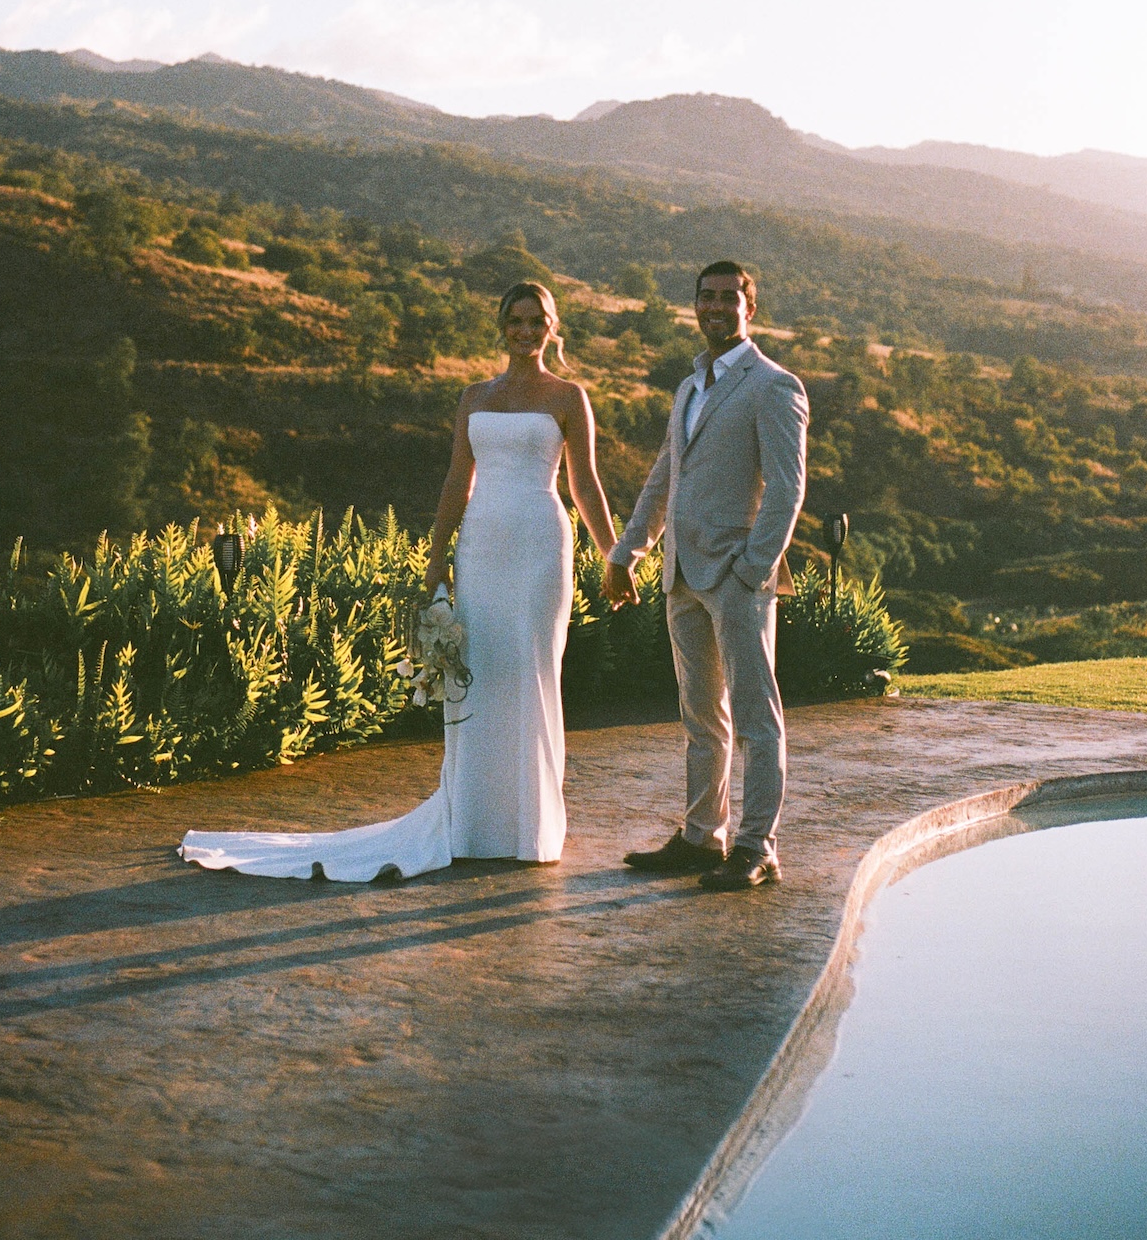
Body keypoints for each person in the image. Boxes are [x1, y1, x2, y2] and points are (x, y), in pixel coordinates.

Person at [179, 281, 619, 883]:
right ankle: (473, 824)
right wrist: (436, 559)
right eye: (514, 319)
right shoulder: (473, 397)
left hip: (542, 546)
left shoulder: (569, 397)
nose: (524, 330)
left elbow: (585, 484)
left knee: (534, 669)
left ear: (552, 326)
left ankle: (530, 826)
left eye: (535, 320)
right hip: (484, 546)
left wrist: (614, 556)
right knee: (481, 671)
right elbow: (454, 481)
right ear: (501, 325)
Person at [603, 260, 808, 892]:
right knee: (701, 718)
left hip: (736, 578)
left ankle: (757, 847)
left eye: (729, 298)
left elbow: (787, 488)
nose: (716, 307)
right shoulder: (690, 387)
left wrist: (753, 569)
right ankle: (701, 838)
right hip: (681, 577)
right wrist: (627, 552)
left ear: (751, 308)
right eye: (706, 297)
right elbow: (665, 475)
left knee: (756, 717)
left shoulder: (773, 385)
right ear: (694, 305)